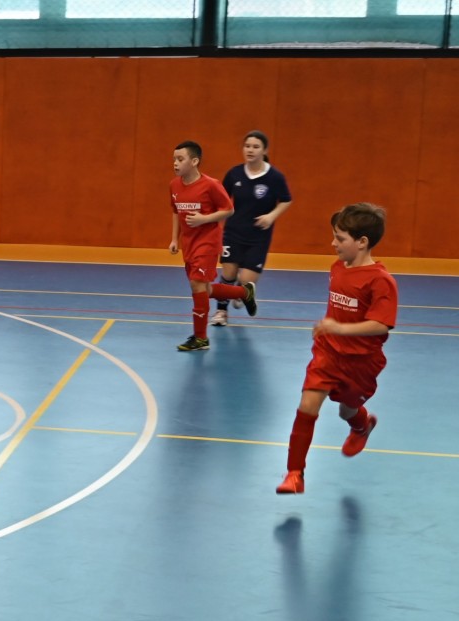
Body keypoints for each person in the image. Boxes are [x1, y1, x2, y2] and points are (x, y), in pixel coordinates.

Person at [276, 203, 397, 494]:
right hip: (328, 353)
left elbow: (381, 324)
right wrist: (332, 332)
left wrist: (341, 328)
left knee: (346, 410)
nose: (333, 243)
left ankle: (361, 425)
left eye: (340, 238)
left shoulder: (381, 281)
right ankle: (294, 474)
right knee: (307, 405)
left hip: (361, 362)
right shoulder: (337, 267)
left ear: (362, 242)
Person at [169, 140, 256, 351]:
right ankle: (244, 293)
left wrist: (204, 219)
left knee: (197, 285)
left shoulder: (211, 185)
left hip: (207, 243)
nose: (175, 163)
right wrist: (174, 239)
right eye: (174, 159)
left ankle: (201, 338)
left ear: (194, 161)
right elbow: (176, 212)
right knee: (205, 290)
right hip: (189, 244)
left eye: (180, 159)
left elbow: (229, 210)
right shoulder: (174, 185)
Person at [211, 131, 293, 327]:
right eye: (247, 146)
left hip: (259, 237)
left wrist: (271, 216)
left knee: (247, 281)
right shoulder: (234, 174)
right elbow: (221, 199)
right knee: (228, 274)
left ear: (264, 150)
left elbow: (286, 200)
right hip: (233, 232)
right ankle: (221, 312)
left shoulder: (275, 177)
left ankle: (241, 293)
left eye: (256, 147)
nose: (250, 150)